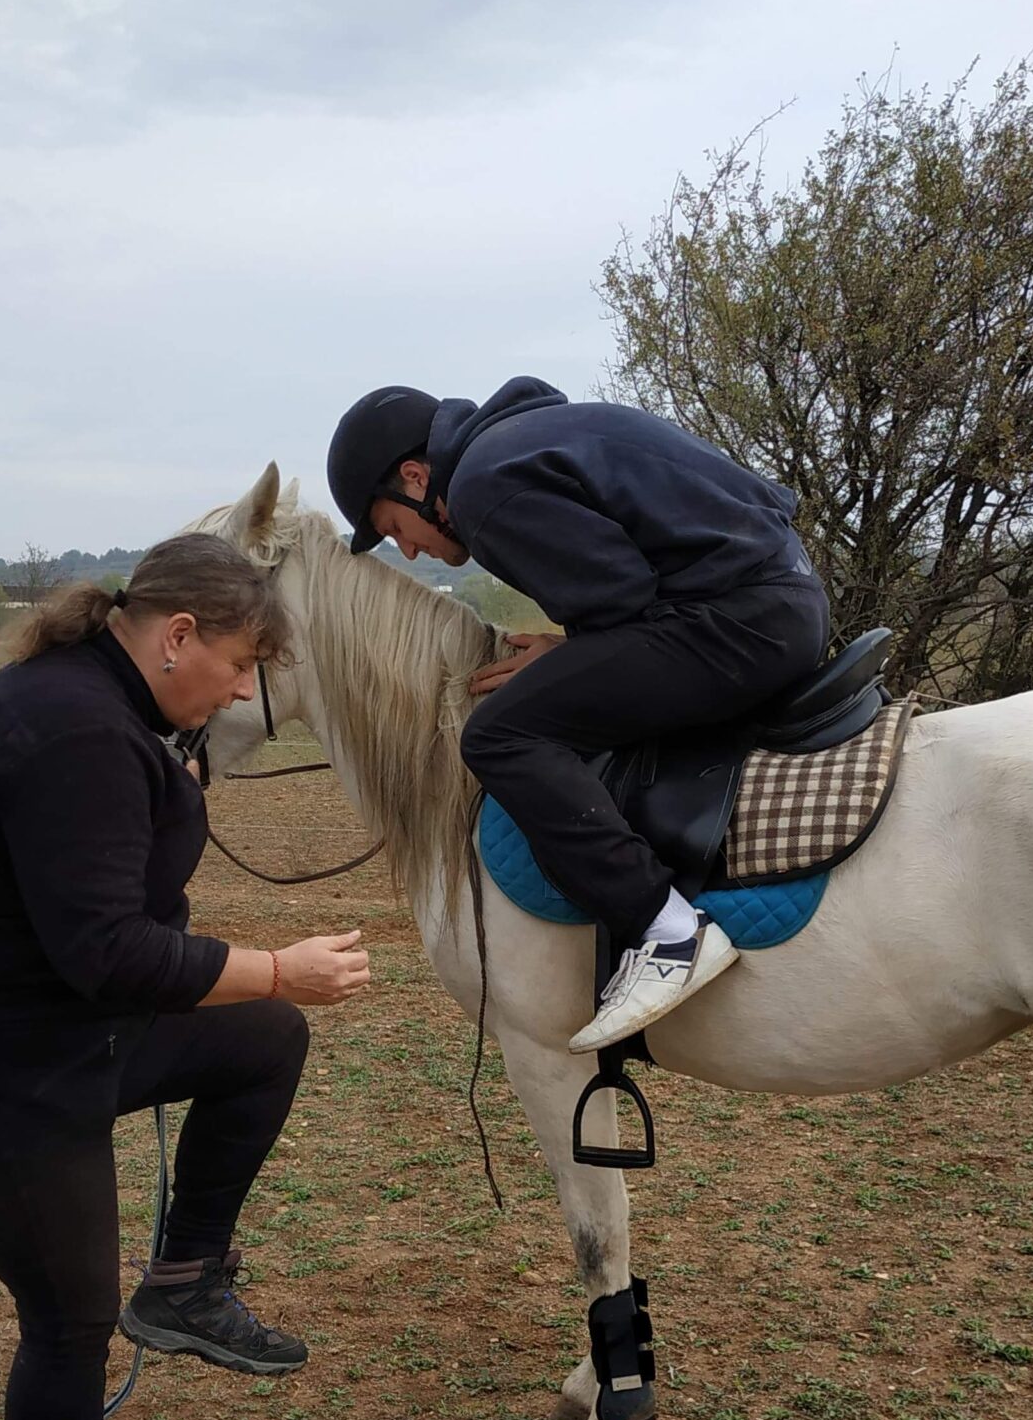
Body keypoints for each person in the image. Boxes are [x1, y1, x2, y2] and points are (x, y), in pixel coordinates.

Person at [0, 534, 370, 1420]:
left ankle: (186, 1281)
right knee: (67, 1320)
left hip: (63, 1028)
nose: (242, 690)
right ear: (177, 636)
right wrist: (276, 966)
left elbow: (115, 917)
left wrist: (172, 790)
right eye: (239, 665)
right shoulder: (74, 727)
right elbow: (107, 952)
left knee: (261, 1038)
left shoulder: (108, 714)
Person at [325, 378, 830, 1051]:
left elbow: (621, 598)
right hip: (780, 596)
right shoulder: (525, 439)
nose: (408, 550)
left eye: (394, 528)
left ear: (416, 478)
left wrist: (571, 653)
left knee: (501, 732)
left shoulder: (478, 487)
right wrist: (571, 649)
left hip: (741, 620)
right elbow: (628, 582)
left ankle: (668, 930)